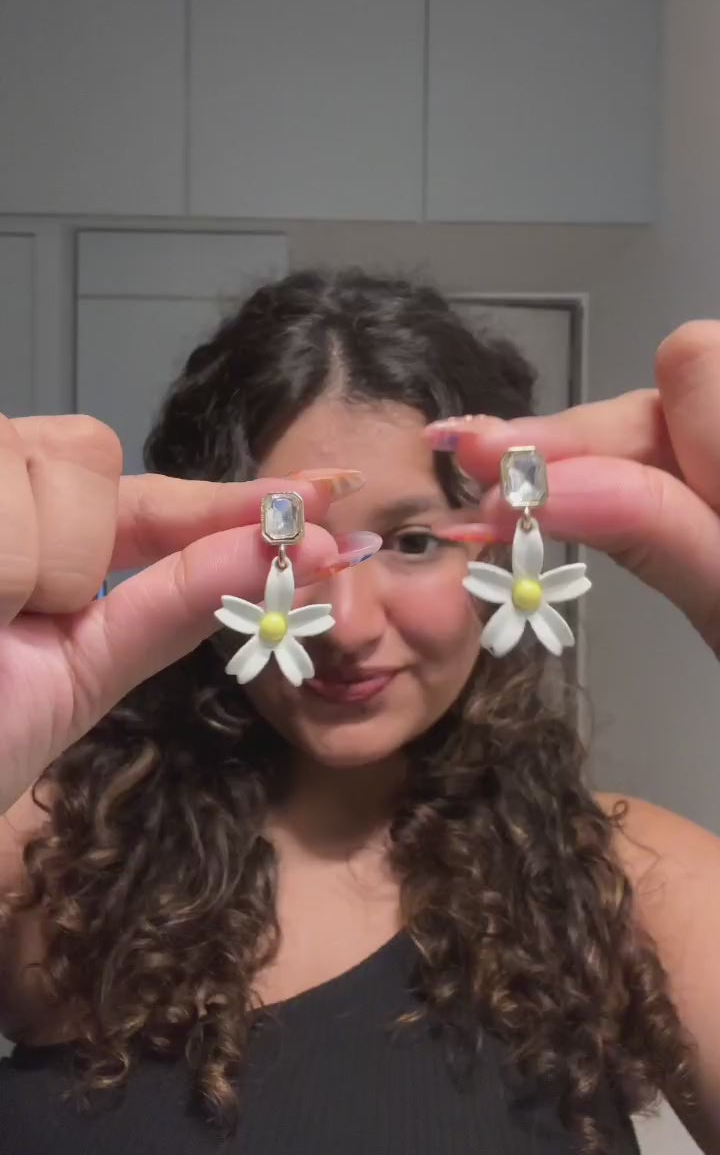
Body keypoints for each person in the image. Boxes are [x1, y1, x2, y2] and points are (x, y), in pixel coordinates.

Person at [0, 269, 718, 1155]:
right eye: (288, 545)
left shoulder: (636, 884)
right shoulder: (49, 855)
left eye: (413, 543)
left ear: (499, 553)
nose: (343, 625)